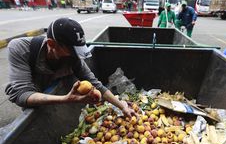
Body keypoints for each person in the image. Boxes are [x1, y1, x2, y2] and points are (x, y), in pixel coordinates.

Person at [5, 18, 137, 118]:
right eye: (71, 52)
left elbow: (96, 84)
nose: (75, 57)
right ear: (52, 44)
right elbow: (22, 95)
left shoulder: (73, 58)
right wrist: (65, 99)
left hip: (54, 102)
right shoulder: (20, 49)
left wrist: (122, 106)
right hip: (34, 101)